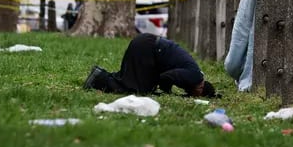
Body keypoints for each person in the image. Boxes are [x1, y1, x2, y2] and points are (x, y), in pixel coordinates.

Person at [83, 33, 216, 97]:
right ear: (200, 89)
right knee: (136, 90)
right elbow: (166, 77)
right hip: (148, 48)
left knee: (128, 80)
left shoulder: (194, 74)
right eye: (195, 95)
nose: (190, 96)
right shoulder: (194, 77)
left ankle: (100, 76)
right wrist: (167, 92)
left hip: (148, 45)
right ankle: (98, 78)